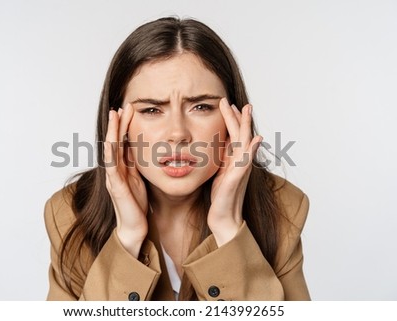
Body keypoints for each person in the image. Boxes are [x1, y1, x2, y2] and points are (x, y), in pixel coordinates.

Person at [44, 16, 310, 301]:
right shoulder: (70, 214)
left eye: (201, 107)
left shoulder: (284, 209)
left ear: (234, 120)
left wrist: (229, 231)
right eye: (151, 110)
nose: (178, 134)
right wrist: (127, 239)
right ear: (117, 126)